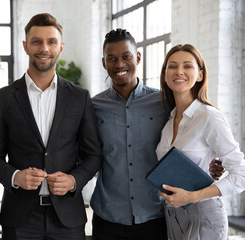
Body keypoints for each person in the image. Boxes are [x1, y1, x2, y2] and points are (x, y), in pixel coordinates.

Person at [90, 29, 225, 240]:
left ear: (138, 57)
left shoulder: (164, 102)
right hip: (108, 217)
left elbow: (189, 133)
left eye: (126, 56)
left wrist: (210, 161)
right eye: (111, 58)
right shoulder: (93, 106)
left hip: (155, 216)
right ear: (103, 63)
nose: (119, 64)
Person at [0, 13, 102, 239]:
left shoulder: (80, 98)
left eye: (51, 42)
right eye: (36, 41)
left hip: (67, 218)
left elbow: (94, 155)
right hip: (20, 219)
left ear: (61, 47)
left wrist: (73, 181)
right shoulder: (3, 99)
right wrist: (15, 177)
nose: (44, 48)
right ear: (25, 46)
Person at [156, 44, 245, 240]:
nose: (179, 71)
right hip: (172, 215)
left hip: (203, 214)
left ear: (200, 75)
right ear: (165, 75)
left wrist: (191, 197)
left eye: (187, 66)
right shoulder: (168, 122)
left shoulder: (209, 116)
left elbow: (241, 175)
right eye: (172, 66)